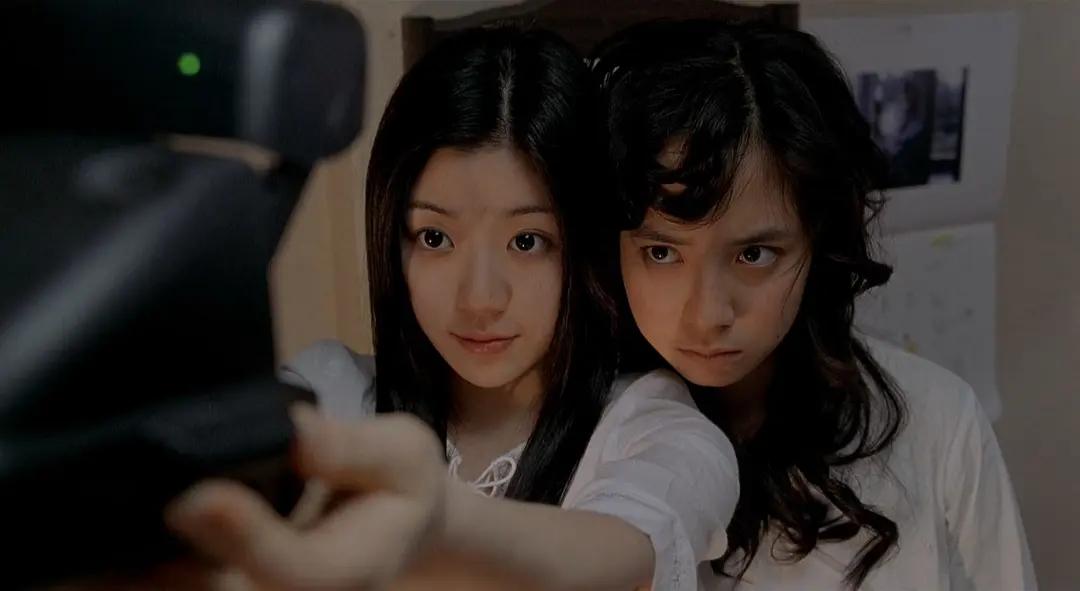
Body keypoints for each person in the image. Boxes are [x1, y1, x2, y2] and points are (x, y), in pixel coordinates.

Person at [167, 25, 737, 591]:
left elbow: (625, 547)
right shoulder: (333, 395)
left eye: (527, 241)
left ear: (584, 245)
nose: (480, 300)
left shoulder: (654, 430)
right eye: (435, 238)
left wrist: (438, 523)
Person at [590, 19, 1035, 590]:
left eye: (753, 255)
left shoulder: (939, 424)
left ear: (816, 239)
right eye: (661, 253)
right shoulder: (575, 435)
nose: (707, 314)